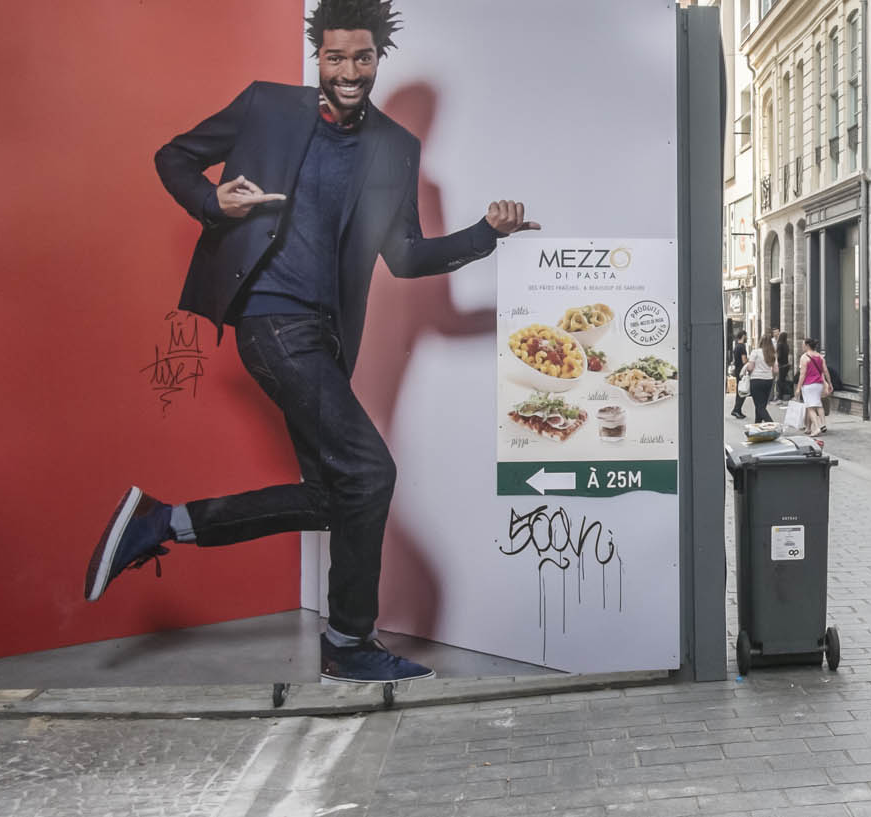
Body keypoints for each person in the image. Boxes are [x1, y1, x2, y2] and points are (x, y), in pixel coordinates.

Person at [84, 0, 539, 684]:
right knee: (374, 473)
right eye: (335, 57)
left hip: (323, 338)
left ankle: (163, 523)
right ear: (317, 58)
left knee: (340, 495)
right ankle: (350, 640)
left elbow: (406, 257)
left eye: (362, 57)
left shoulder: (395, 147)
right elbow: (172, 156)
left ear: (377, 59)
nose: (349, 71)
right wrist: (215, 203)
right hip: (270, 319)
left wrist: (486, 233)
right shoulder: (267, 107)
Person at [795, 338, 833, 435]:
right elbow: (825, 371)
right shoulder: (820, 356)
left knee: (810, 407)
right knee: (818, 404)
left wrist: (798, 388)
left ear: (807, 345)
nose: (802, 346)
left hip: (808, 385)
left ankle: (816, 428)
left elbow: (802, 374)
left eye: (803, 345)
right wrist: (829, 383)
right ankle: (823, 424)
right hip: (818, 385)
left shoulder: (804, 357)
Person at [739, 336, 776, 423]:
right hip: (768, 380)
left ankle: (772, 425)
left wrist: (747, 368)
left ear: (761, 342)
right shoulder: (772, 354)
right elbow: (776, 370)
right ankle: (757, 425)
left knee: (759, 406)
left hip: (756, 380)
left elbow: (751, 367)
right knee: (761, 405)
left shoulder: (755, 352)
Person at [729, 329, 749, 419]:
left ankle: (738, 410)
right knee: (743, 391)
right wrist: (750, 361)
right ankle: (736, 410)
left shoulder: (736, 346)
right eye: (746, 336)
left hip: (737, 370)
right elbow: (744, 360)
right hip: (742, 371)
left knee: (739, 391)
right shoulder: (742, 347)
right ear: (743, 336)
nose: (747, 338)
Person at [773, 328, 795, 405]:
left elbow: (778, 356)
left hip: (781, 365)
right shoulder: (786, 345)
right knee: (783, 381)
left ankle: (783, 396)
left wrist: (775, 361)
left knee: (780, 382)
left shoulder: (779, 345)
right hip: (786, 365)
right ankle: (783, 396)